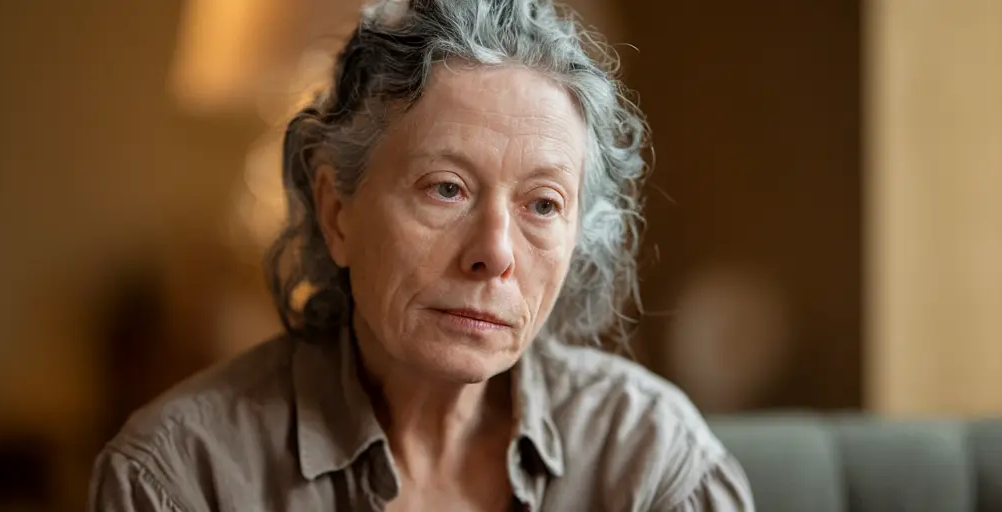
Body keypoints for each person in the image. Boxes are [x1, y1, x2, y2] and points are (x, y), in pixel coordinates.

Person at [89, 0, 754, 509]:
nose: (495, 253)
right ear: (337, 212)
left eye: (543, 204)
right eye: (446, 188)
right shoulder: (179, 477)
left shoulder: (652, 459)